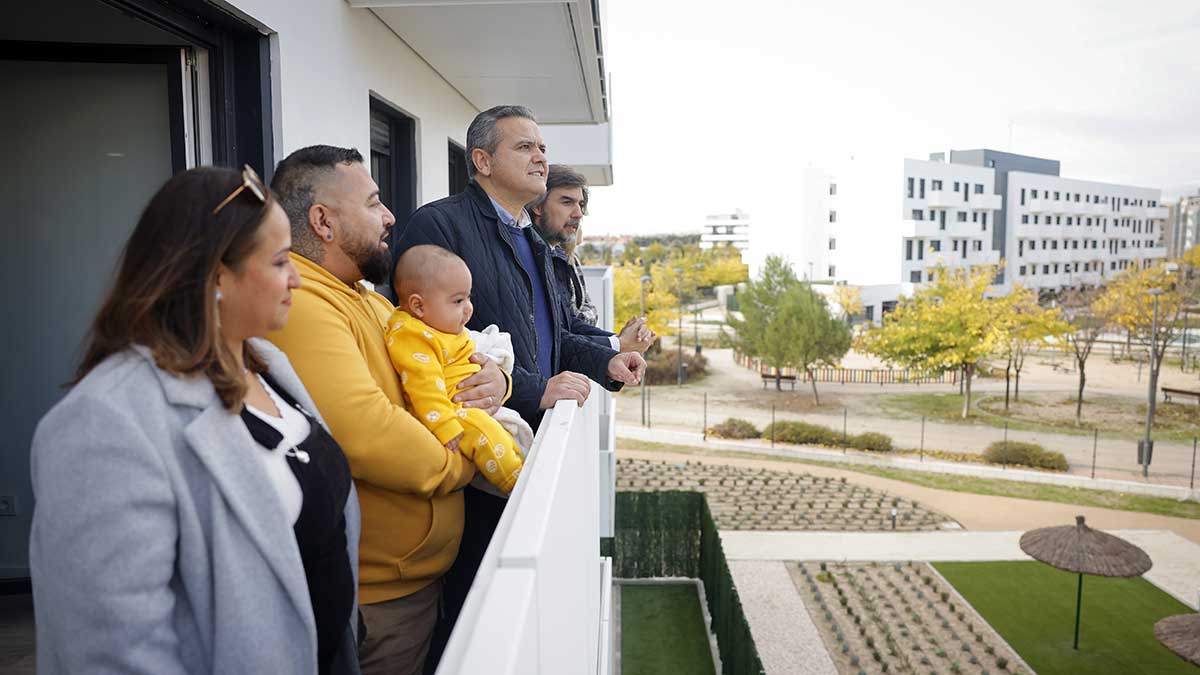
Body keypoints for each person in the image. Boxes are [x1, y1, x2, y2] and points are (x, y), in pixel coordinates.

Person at [29, 165, 361, 674]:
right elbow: (112, 649)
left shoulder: (268, 365)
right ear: (216, 275)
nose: (296, 278)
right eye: (279, 262)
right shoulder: (105, 422)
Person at [392, 105, 645, 672]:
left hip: (521, 446)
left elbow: (559, 332)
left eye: (542, 147)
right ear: (482, 161)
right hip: (470, 458)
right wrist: (528, 389)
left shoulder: (531, 235)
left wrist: (608, 360)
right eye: (524, 147)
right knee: (470, 615)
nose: (540, 157)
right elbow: (419, 340)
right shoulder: (439, 227)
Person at [267, 145, 511, 675]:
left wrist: (498, 380)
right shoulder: (305, 305)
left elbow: (452, 356)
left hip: (415, 584)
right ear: (323, 222)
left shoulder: (370, 299)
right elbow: (368, 432)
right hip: (378, 602)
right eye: (374, 202)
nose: (391, 216)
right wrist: (468, 462)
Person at [388, 245, 524, 494]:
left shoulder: (439, 325)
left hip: (465, 405)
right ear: (418, 306)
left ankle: (520, 465)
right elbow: (423, 385)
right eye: (458, 300)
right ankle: (514, 482)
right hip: (450, 412)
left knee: (499, 435)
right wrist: (444, 425)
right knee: (486, 433)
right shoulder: (412, 335)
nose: (469, 307)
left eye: (469, 297)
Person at [528, 163, 656, 353]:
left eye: (580, 205)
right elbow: (554, 339)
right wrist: (619, 344)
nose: (578, 214)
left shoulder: (554, 256)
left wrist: (620, 340)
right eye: (567, 202)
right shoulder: (528, 257)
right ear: (538, 206)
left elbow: (570, 323)